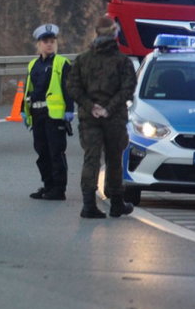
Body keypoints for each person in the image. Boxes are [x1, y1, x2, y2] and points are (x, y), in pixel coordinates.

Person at [69, 15, 137, 218]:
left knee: (91, 159)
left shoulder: (82, 60)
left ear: (96, 33)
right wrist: (109, 108)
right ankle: (116, 203)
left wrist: (91, 107)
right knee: (114, 159)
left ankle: (88, 204)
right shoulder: (122, 61)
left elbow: (73, 87)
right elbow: (128, 88)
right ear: (115, 33)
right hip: (114, 117)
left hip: (90, 118)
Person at [20, 24, 75, 201]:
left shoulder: (62, 63)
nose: (49, 45)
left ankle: (59, 189)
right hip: (37, 114)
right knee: (42, 153)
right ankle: (48, 185)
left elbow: (69, 89)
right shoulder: (33, 65)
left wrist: (69, 109)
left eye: (52, 41)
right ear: (39, 44)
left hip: (54, 116)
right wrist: (24, 111)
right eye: (46, 42)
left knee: (56, 153)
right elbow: (29, 90)